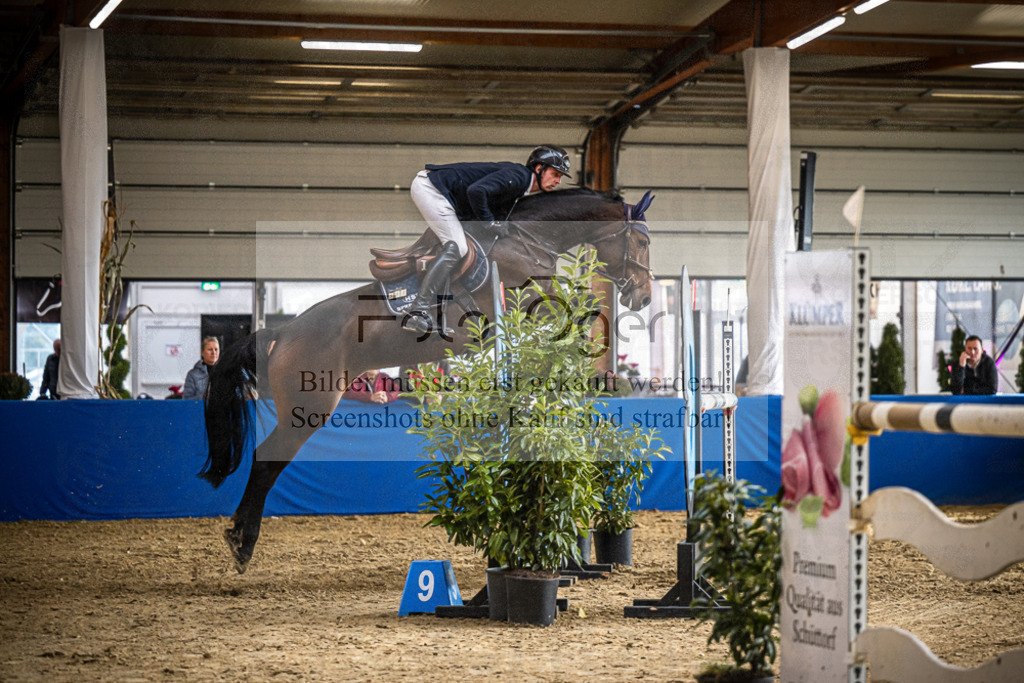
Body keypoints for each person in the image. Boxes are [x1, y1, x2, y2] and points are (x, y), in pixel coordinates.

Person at [403, 144, 572, 335]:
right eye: (556, 174)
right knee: (458, 247)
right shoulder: (518, 178)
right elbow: (476, 191)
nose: (558, 181)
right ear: (539, 168)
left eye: (560, 176)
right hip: (432, 190)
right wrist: (490, 223)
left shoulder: (520, 186)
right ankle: (417, 311)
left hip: (445, 194)